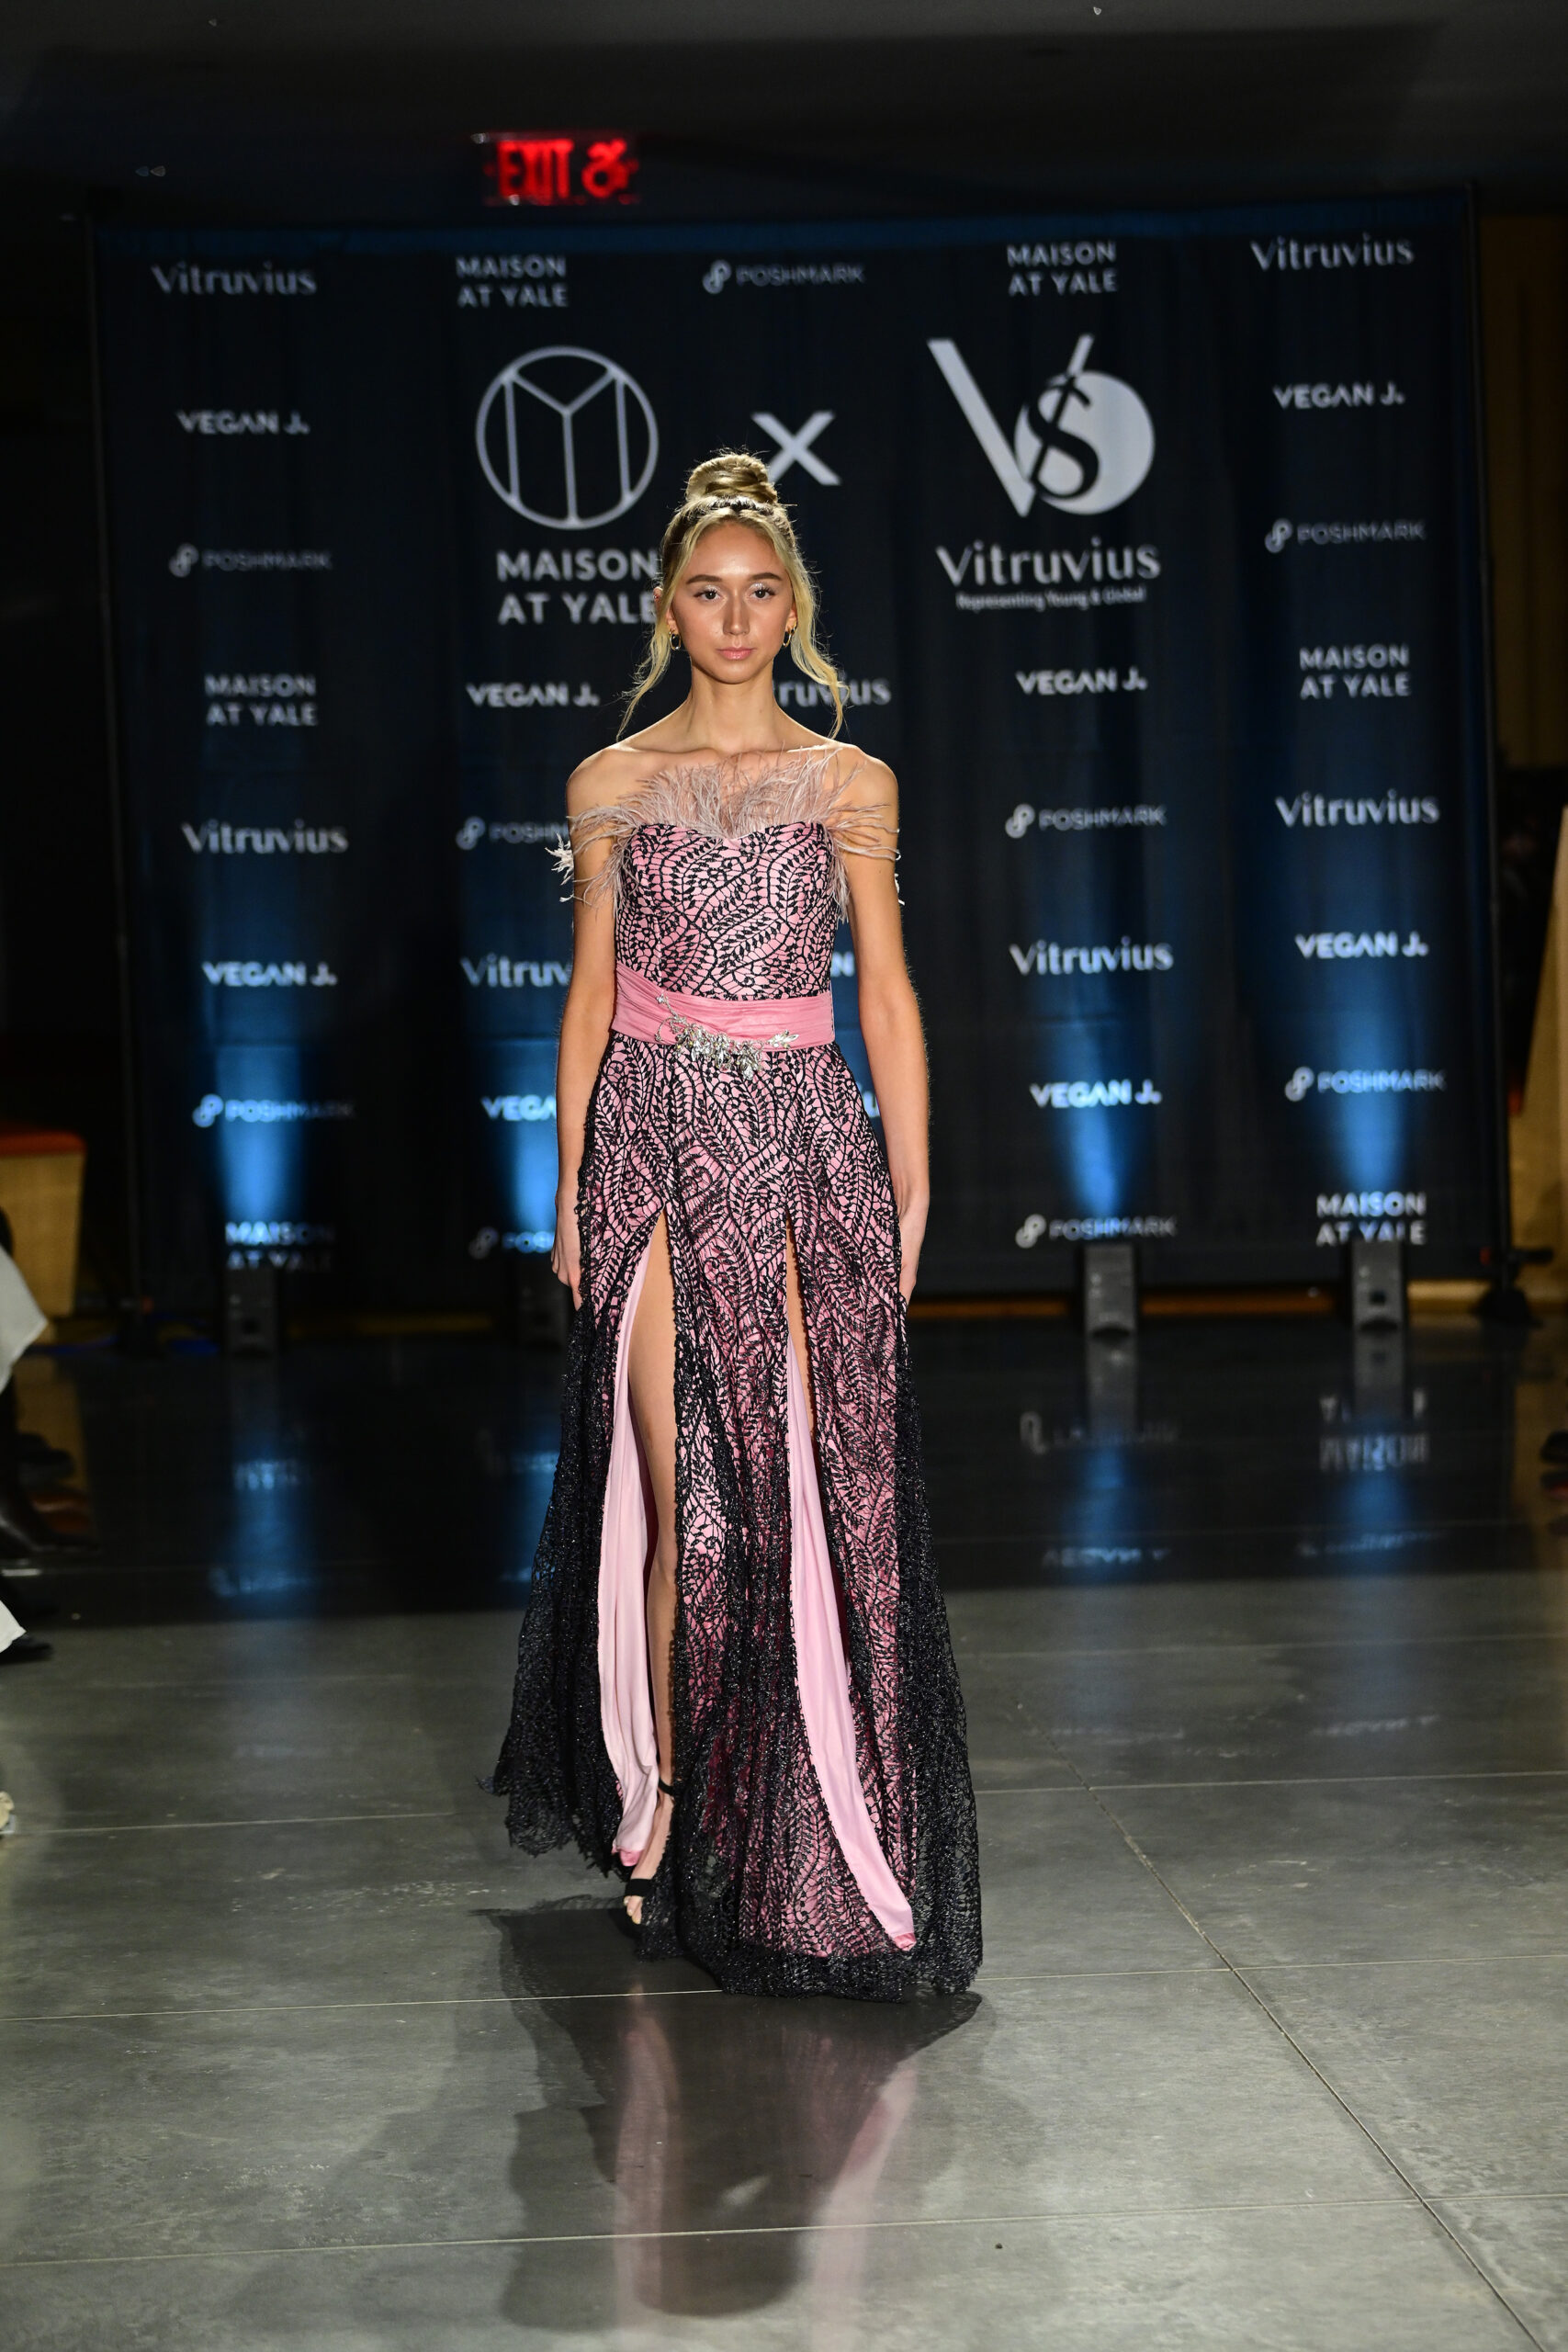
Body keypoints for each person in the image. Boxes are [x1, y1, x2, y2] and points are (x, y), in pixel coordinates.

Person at [492, 452, 980, 2000]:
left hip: (805, 1144)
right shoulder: (612, 782)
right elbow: (586, 1002)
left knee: (792, 1492)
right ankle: (670, 1809)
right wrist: (568, 1187)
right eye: (707, 592)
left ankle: (793, 1816)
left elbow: (886, 997)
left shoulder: (849, 782)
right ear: (668, 609)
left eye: (761, 592)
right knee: (679, 1487)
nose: (735, 616)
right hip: (649, 1140)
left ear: (794, 610)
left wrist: (913, 1182)